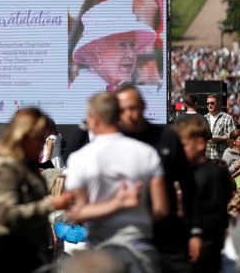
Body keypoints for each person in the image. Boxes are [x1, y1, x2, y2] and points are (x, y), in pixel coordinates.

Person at [66, 93, 167, 272]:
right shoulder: (147, 153)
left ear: (94, 119)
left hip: (99, 254)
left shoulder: (79, 158)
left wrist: (115, 205)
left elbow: (76, 212)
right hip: (141, 248)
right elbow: (161, 210)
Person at [116, 85, 202, 272]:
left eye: (133, 108)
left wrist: (195, 231)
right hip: (127, 234)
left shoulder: (167, 137)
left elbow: (188, 186)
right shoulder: (114, 143)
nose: (129, 114)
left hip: (167, 233)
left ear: (143, 106)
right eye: (122, 110)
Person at [0, 108, 74, 269]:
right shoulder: (6, 168)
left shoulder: (28, 167)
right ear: (23, 137)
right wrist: (51, 205)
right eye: (38, 138)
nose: (42, 143)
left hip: (30, 254)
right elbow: (5, 214)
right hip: (8, 256)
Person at [176, 117, 233, 273]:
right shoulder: (189, 172)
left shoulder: (212, 174)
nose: (180, 150)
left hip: (207, 244)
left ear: (200, 144)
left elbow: (216, 213)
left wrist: (197, 234)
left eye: (184, 146)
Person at [69, 0, 157, 92]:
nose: (131, 55)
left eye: (132, 45)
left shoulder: (115, 90)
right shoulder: (87, 92)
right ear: (98, 49)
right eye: (122, 45)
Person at [203, 93, 235, 160]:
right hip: (206, 157)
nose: (209, 105)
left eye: (212, 103)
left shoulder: (227, 118)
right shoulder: (204, 118)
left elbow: (233, 135)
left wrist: (219, 139)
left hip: (220, 157)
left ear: (218, 103)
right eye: (208, 103)